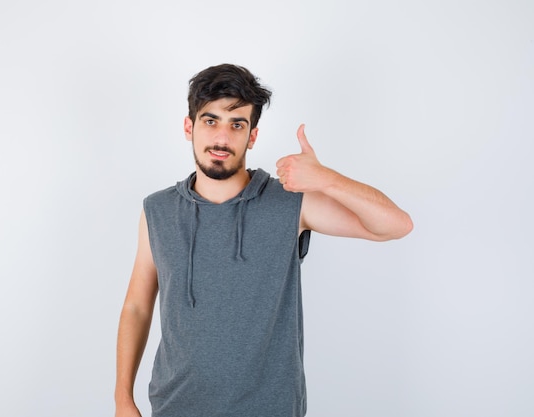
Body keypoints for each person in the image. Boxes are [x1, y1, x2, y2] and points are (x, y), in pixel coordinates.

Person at [114, 63, 413, 417]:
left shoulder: (290, 202)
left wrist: (327, 179)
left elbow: (395, 225)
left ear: (252, 136)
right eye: (211, 121)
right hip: (175, 407)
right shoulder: (158, 210)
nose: (222, 138)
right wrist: (123, 400)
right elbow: (137, 305)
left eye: (236, 124)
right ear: (189, 127)